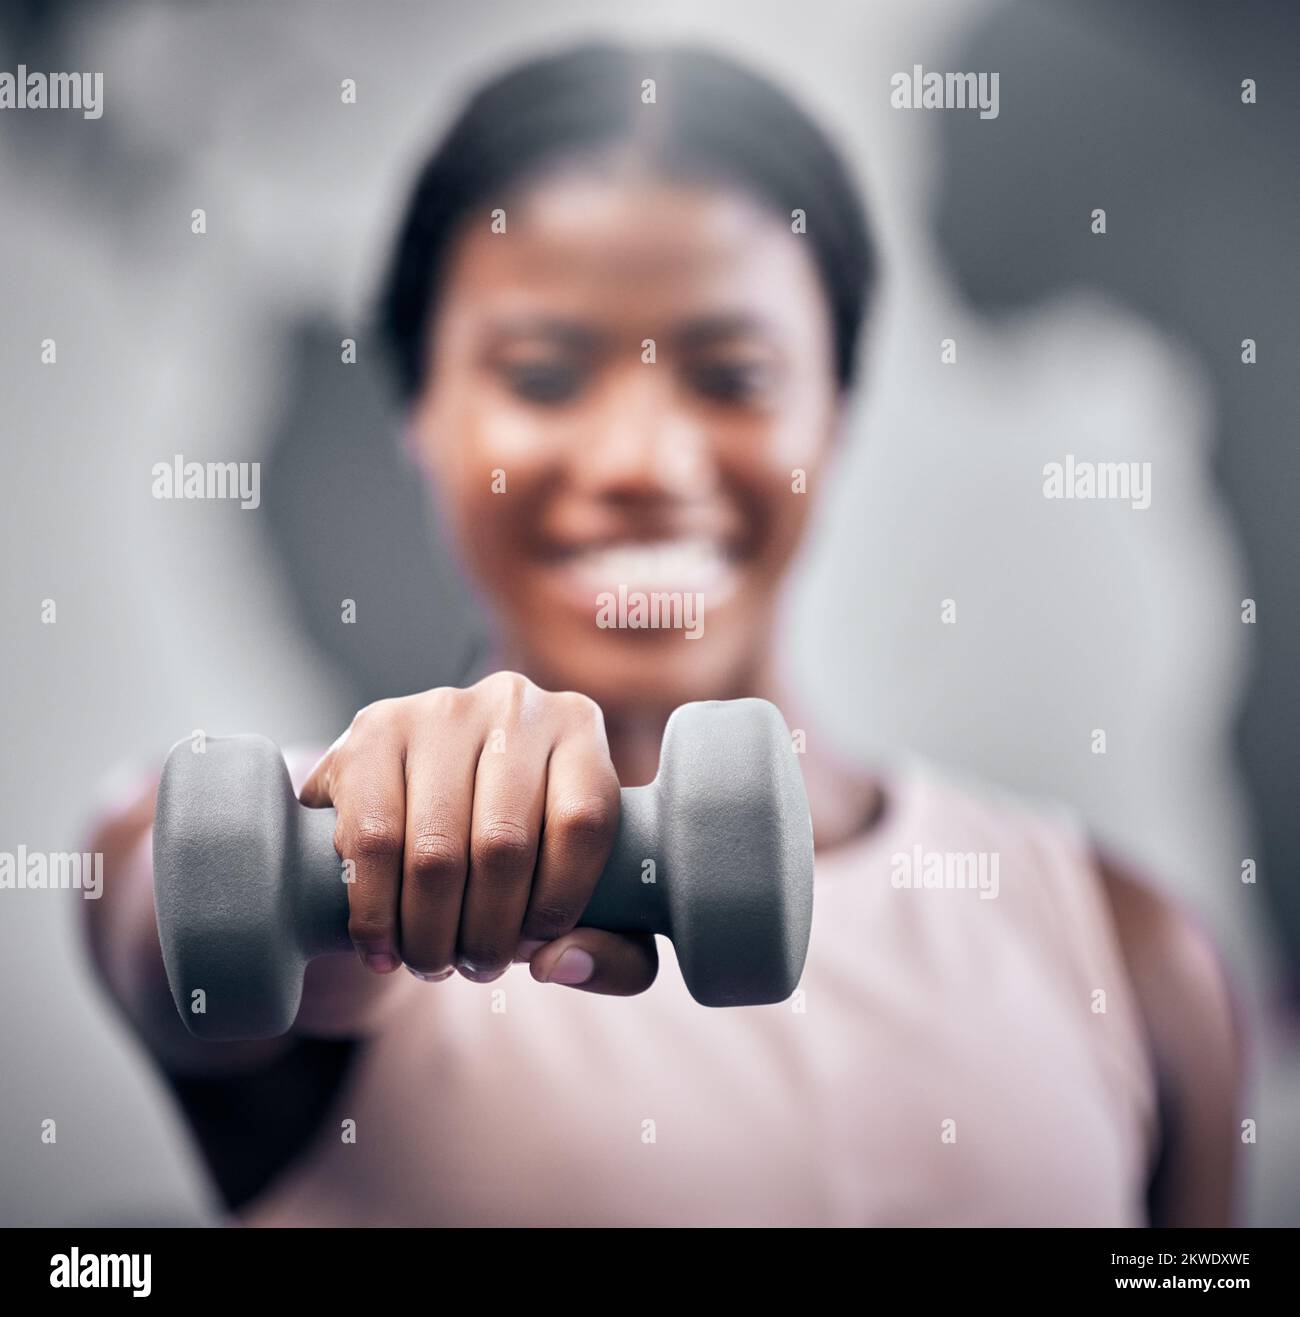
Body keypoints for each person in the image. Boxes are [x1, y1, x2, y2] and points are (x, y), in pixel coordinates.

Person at [82, 40, 1243, 1227]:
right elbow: (177, 915)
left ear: (833, 417)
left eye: (732, 376)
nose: (642, 464)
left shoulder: (1126, 950)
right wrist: (355, 867)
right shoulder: (257, 850)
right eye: (541, 377)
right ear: (418, 421)